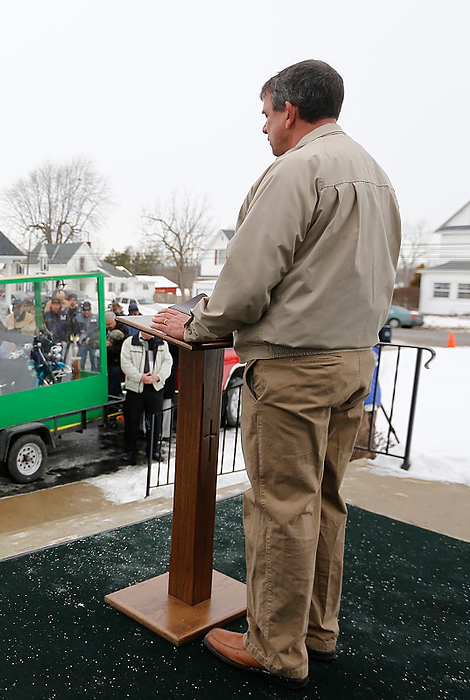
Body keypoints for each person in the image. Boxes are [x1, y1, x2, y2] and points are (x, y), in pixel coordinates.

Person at [152, 60, 401, 689]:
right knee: (326, 501)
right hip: (353, 362)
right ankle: (317, 630)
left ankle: (276, 649)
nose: (264, 128)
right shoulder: (377, 176)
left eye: (266, 114)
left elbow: (247, 280)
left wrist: (198, 324)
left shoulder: (296, 170)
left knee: (281, 509)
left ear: (289, 111)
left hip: (295, 367)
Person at [119, 330, 172, 463]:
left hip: (155, 387)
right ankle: (129, 451)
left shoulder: (162, 343)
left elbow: (167, 362)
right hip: (135, 388)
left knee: (154, 421)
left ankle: (153, 450)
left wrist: (158, 376)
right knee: (132, 421)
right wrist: (140, 377)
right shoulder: (129, 342)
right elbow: (125, 363)